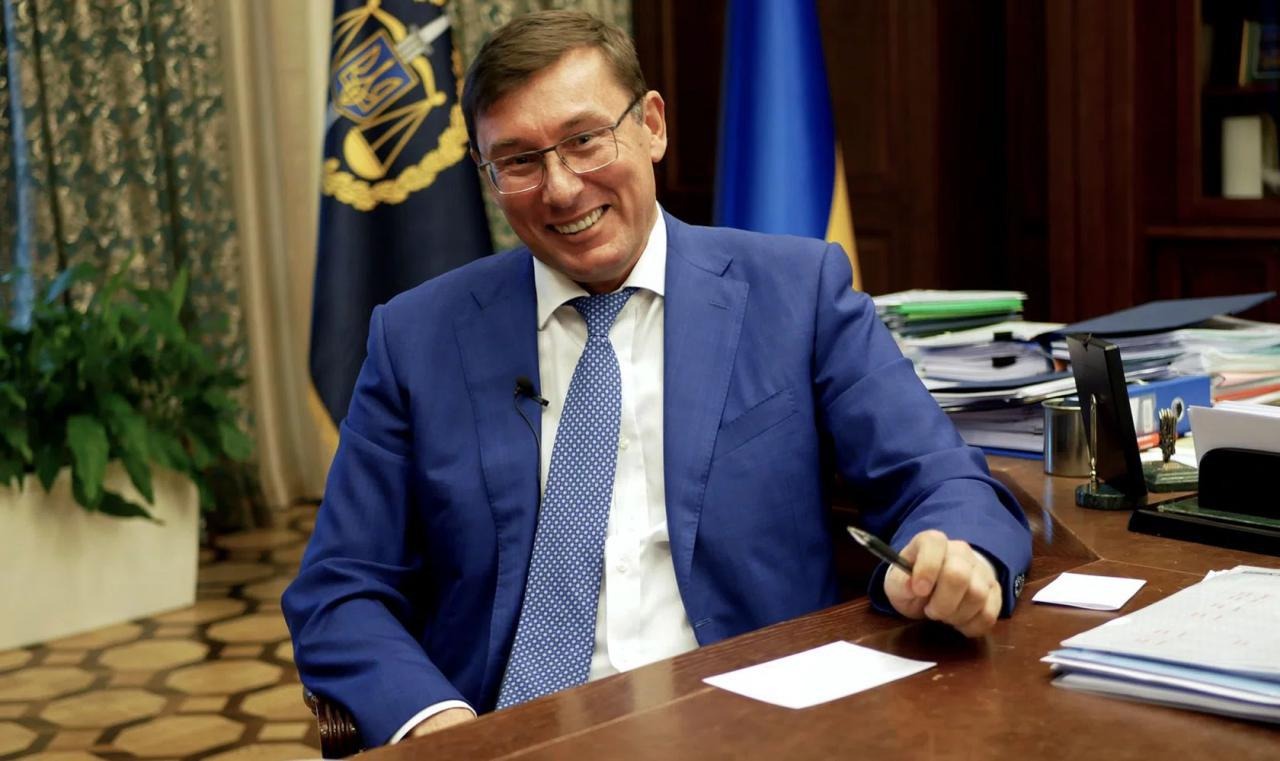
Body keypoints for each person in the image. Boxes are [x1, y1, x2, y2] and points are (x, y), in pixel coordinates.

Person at [283, 10, 1031, 747]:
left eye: (584, 140)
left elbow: (943, 480)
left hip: (751, 727)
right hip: (504, 734)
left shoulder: (796, 294)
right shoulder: (417, 338)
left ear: (651, 125)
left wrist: (956, 553)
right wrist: (439, 726)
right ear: (486, 173)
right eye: (519, 161)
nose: (561, 189)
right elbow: (339, 587)